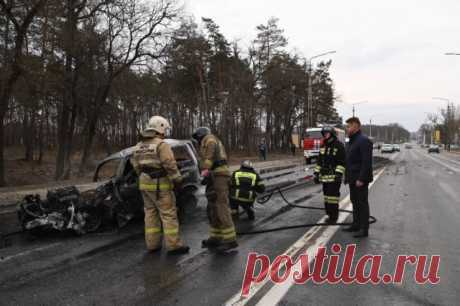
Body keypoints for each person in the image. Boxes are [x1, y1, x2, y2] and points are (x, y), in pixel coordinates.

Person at [130, 116, 190, 255]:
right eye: (165, 129)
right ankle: (174, 245)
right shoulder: (161, 145)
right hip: (159, 184)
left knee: (150, 214)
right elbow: (169, 164)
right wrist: (178, 180)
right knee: (168, 214)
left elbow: (135, 165)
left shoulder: (138, 146)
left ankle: (152, 245)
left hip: (144, 184)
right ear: (160, 127)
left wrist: (144, 176)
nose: (165, 133)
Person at [192, 127, 238, 252]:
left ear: (201, 136)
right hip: (214, 176)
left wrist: (205, 171)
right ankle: (215, 237)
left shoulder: (209, 139)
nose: (198, 141)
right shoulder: (209, 140)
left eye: (198, 139)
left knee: (221, 206)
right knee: (213, 207)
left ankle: (230, 240)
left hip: (219, 177)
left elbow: (209, 158)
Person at [343, 117, 373, 238]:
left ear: (356, 126)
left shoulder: (363, 140)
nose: (347, 128)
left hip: (360, 179)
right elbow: (349, 161)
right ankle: (356, 224)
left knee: (362, 203)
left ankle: (364, 229)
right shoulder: (351, 141)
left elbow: (366, 162)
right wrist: (347, 177)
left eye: (349, 126)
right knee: (354, 202)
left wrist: (361, 179)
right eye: (347, 126)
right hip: (352, 178)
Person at [313, 126, 346, 224]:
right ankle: (329, 214)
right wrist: (316, 173)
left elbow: (342, 162)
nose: (325, 135)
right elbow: (319, 162)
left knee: (333, 198)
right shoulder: (324, 146)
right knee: (327, 197)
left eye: (327, 133)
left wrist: (338, 174)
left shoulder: (339, 146)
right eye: (324, 133)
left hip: (334, 178)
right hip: (324, 177)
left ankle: (334, 217)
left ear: (332, 134)